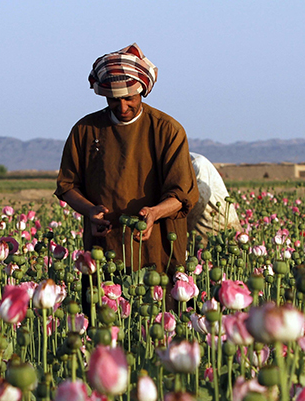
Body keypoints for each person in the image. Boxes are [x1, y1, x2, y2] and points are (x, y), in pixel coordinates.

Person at [55, 43, 198, 275]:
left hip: (158, 246)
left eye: (129, 98)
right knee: (102, 305)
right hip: (104, 247)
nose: (122, 106)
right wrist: (90, 211)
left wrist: (154, 214)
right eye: (113, 99)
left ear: (142, 90)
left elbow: (183, 195)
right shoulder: (85, 130)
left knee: (159, 307)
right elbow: (67, 186)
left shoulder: (167, 130)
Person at [187, 153, 241, 241]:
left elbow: (200, 198)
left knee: (223, 247)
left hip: (217, 220)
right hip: (198, 224)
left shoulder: (198, 164)